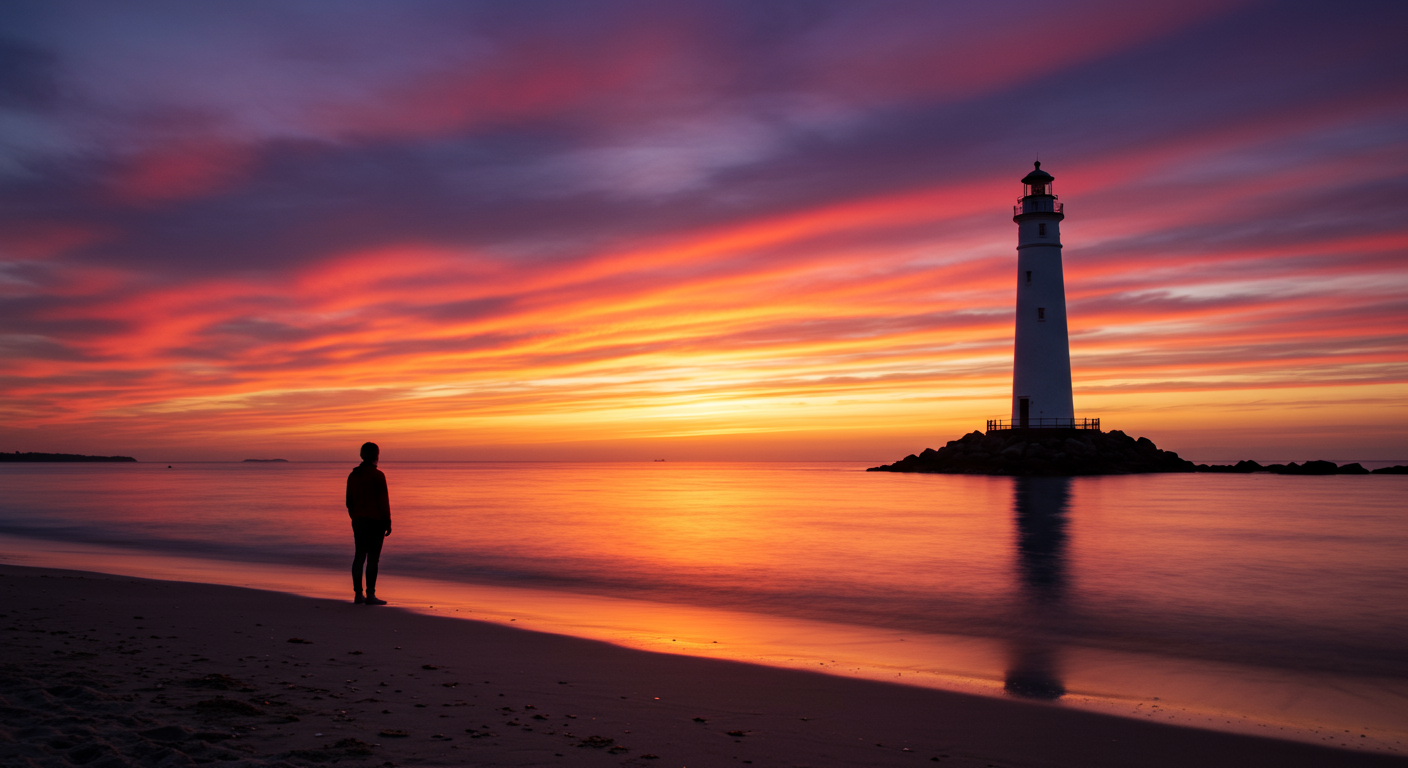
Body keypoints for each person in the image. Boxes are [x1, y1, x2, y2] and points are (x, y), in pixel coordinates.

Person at [346, 441, 392, 605]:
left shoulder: (353, 476)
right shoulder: (378, 476)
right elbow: (383, 501)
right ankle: (370, 595)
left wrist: (355, 517)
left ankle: (358, 594)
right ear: (376, 456)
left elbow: (348, 501)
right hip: (375, 521)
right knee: (373, 559)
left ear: (362, 456)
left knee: (359, 556)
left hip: (359, 521)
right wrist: (388, 522)